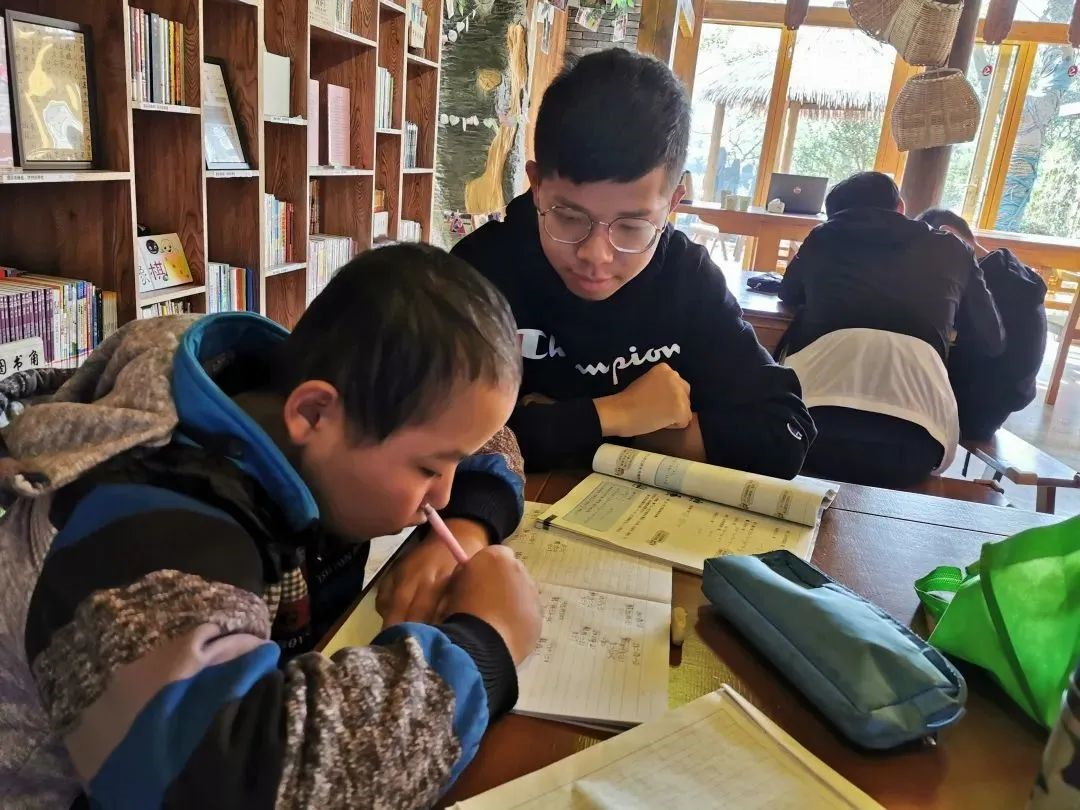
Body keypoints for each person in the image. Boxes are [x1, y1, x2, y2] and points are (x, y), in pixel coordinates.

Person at [0, 244, 541, 808]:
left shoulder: (287, 395)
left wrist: (463, 528)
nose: (443, 493)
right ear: (313, 413)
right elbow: (236, 781)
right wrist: (483, 645)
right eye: (429, 469)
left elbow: (488, 438)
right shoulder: (157, 534)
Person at [452, 48, 815, 477]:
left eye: (631, 226)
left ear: (673, 204)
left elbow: (785, 435)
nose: (596, 255)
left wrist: (575, 425)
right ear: (536, 186)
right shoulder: (477, 275)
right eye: (569, 217)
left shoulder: (687, 278)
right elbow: (444, 432)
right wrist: (620, 412)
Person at [777, 173, 1006, 488]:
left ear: (834, 217)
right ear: (901, 207)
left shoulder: (823, 238)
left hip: (809, 425)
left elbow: (788, 293)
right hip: (920, 438)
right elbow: (991, 340)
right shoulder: (953, 250)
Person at [916, 208, 1047, 441]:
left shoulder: (984, 283)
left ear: (950, 235)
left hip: (972, 409)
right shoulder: (1011, 273)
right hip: (998, 406)